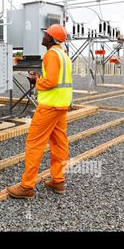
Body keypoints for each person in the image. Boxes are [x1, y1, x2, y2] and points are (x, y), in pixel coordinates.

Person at [7, 24, 73, 199]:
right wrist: (40, 78)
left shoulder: (51, 55)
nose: (43, 37)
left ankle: (27, 186)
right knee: (59, 144)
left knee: (34, 144)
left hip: (49, 107)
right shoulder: (63, 55)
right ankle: (58, 180)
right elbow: (58, 80)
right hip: (61, 106)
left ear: (51, 39)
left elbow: (51, 82)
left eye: (46, 35)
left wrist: (37, 82)